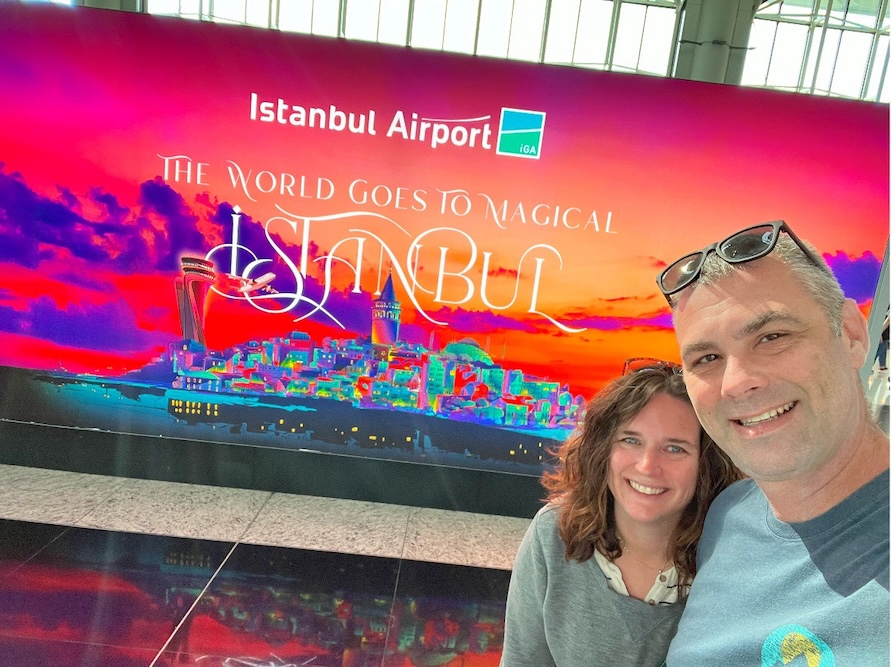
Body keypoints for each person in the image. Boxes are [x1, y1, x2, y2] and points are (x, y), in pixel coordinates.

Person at [655, 220, 890, 665]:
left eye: (773, 337)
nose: (738, 383)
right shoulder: (725, 518)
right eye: (707, 358)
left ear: (852, 335)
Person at [500, 362, 740, 667]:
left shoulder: (733, 555)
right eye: (631, 440)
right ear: (604, 450)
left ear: (707, 465)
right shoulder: (554, 532)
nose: (647, 466)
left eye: (675, 449)